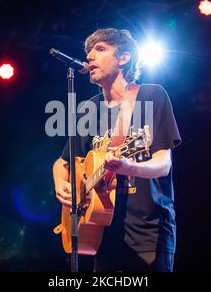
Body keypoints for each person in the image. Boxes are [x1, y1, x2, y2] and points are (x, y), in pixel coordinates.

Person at [52, 28, 182, 272]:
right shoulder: (88, 108)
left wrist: (128, 167)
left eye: (100, 49)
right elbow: (62, 163)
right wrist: (61, 185)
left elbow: (164, 164)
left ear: (124, 58)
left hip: (148, 232)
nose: (90, 56)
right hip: (101, 233)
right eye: (88, 51)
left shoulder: (151, 96)